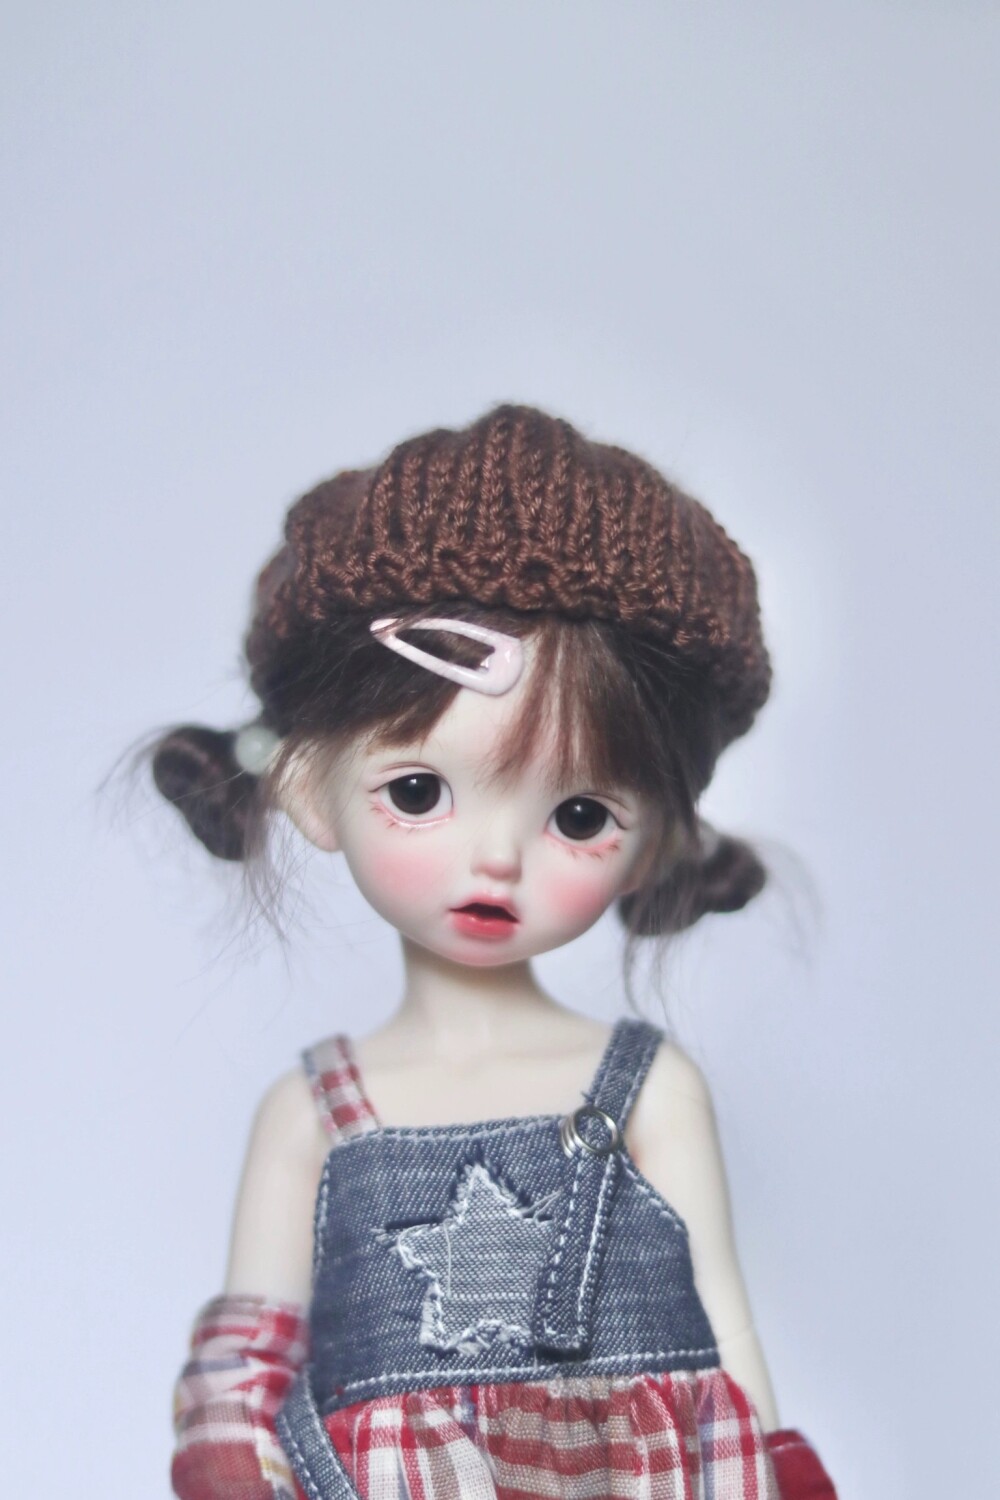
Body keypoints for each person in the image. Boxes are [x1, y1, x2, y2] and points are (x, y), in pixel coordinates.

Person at [155, 405, 836, 1499]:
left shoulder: (650, 1088)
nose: (496, 859)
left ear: (657, 842)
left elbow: (727, 1343)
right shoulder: (316, 1114)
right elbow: (246, 1361)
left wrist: (769, 1469)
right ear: (308, 790)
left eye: (579, 815)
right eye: (418, 791)